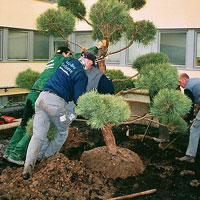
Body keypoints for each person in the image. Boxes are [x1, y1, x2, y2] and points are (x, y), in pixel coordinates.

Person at [3, 43, 102, 165]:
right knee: (35, 129)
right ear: (66, 54)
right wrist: (96, 48)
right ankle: (17, 155)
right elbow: (79, 58)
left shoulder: (52, 60)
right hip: (43, 95)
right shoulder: (64, 60)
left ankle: (8, 152)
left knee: (23, 125)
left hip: (32, 93)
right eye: (69, 54)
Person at [22, 51, 99, 180]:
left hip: (41, 99)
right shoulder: (81, 74)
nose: (91, 67)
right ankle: (47, 161)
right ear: (89, 62)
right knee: (63, 131)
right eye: (91, 64)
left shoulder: (68, 62)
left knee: (38, 136)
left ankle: (27, 168)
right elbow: (78, 98)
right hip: (55, 105)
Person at [176, 73, 200, 163]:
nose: (179, 84)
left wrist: (187, 120)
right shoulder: (196, 81)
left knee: (195, 128)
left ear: (185, 80)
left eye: (179, 81)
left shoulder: (188, 88)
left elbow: (189, 107)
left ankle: (190, 156)